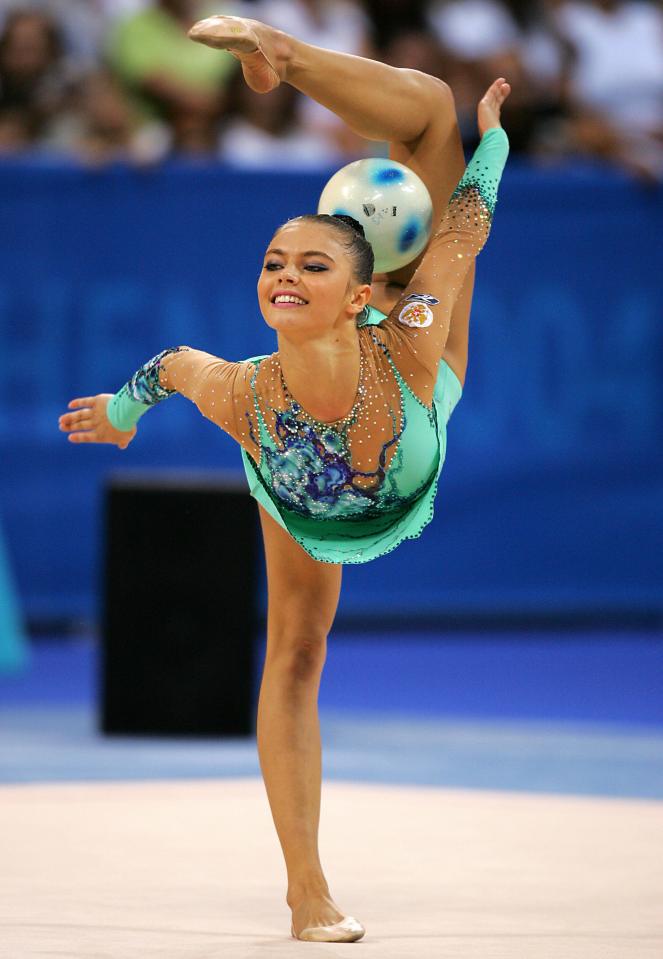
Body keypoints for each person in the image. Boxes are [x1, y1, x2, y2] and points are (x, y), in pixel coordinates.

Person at [58, 16, 510, 943]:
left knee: (431, 109)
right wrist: (120, 412)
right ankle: (306, 888)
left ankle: (285, 54)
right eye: (273, 264)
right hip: (297, 492)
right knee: (296, 653)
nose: (283, 276)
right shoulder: (242, 391)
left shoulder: (412, 331)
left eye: (310, 265)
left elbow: (461, 232)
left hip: (410, 414)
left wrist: (493, 145)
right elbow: (171, 365)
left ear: (360, 293)